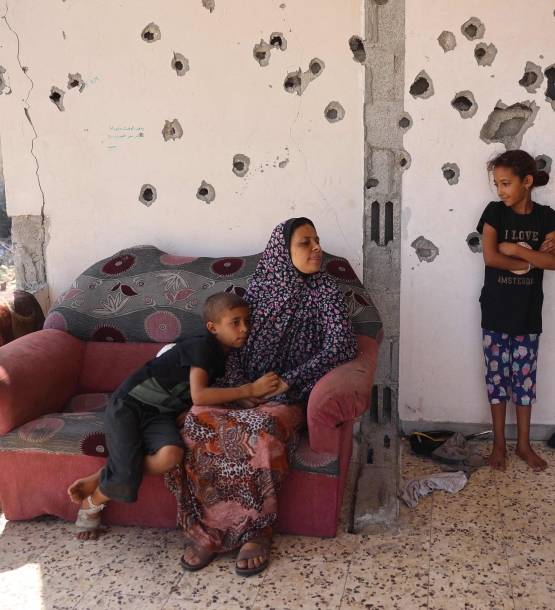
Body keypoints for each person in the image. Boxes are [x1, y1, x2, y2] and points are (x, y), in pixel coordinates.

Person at [168, 217, 358, 576]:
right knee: (197, 422)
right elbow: (232, 349)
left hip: (289, 395)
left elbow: (343, 345)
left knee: (263, 429)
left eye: (317, 240)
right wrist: (242, 391)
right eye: (305, 242)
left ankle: (256, 532)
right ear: (281, 252)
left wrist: (287, 381)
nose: (317, 248)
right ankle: (208, 530)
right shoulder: (257, 291)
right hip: (245, 391)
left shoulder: (325, 291)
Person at [66, 291, 285, 540]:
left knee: (171, 455)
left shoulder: (226, 355)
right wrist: (250, 389)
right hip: (128, 407)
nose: (244, 328)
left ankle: (99, 477)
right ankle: (93, 504)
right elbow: (200, 394)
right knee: (125, 473)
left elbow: (193, 394)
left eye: (247, 321)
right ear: (212, 327)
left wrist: (190, 408)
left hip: (160, 414)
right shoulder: (203, 344)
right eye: (235, 322)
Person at [477, 150, 555, 472]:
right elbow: (490, 256)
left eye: (506, 183)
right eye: (497, 184)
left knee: (524, 381)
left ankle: (523, 445)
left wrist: (512, 249)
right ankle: (499, 443)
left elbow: (554, 262)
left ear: (527, 182)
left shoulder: (546, 219)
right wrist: (532, 259)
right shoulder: (494, 213)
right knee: (497, 380)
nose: (500, 191)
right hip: (496, 311)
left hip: (529, 314)